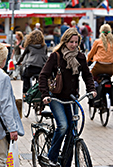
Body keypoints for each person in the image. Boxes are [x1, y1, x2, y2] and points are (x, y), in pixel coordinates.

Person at [38, 28, 97, 166]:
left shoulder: (80, 57)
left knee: (73, 130)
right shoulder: (56, 56)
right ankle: (51, 158)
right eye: (71, 42)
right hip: (56, 98)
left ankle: (66, 161)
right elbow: (43, 75)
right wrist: (45, 94)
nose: (74, 45)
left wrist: (91, 89)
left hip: (72, 98)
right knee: (63, 126)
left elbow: (87, 75)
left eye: (76, 42)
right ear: (65, 41)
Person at [16, 30, 48, 94]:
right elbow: (46, 55)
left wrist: (18, 62)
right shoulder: (44, 46)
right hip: (41, 67)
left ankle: (26, 91)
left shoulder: (29, 46)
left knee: (25, 76)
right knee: (43, 78)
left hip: (31, 66)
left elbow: (23, 56)